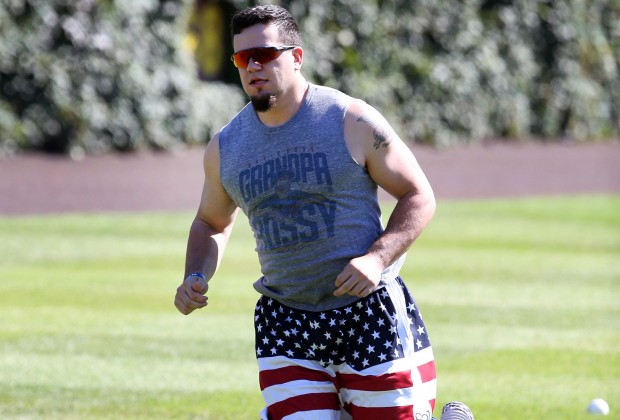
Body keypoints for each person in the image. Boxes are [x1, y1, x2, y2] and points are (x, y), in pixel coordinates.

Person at [174, 4, 438, 419]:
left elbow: (418, 195)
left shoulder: (351, 120)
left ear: (296, 57)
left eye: (264, 54)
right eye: (242, 58)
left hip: (367, 313)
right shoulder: (225, 147)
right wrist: (195, 275)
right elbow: (211, 221)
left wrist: (377, 257)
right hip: (285, 321)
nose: (252, 66)